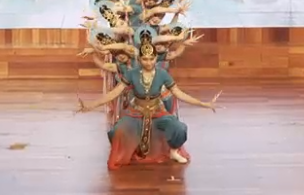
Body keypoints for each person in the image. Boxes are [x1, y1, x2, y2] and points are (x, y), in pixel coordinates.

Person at [75, 38, 219, 170]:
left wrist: (203, 103)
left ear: (156, 58)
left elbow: (179, 93)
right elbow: (114, 93)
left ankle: (174, 152)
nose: (148, 62)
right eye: (145, 59)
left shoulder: (162, 74)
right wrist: (91, 105)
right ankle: (127, 152)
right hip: (136, 112)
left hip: (157, 111)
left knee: (179, 128)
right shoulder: (132, 73)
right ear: (139, 59)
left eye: (151, 59)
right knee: (118, 130)